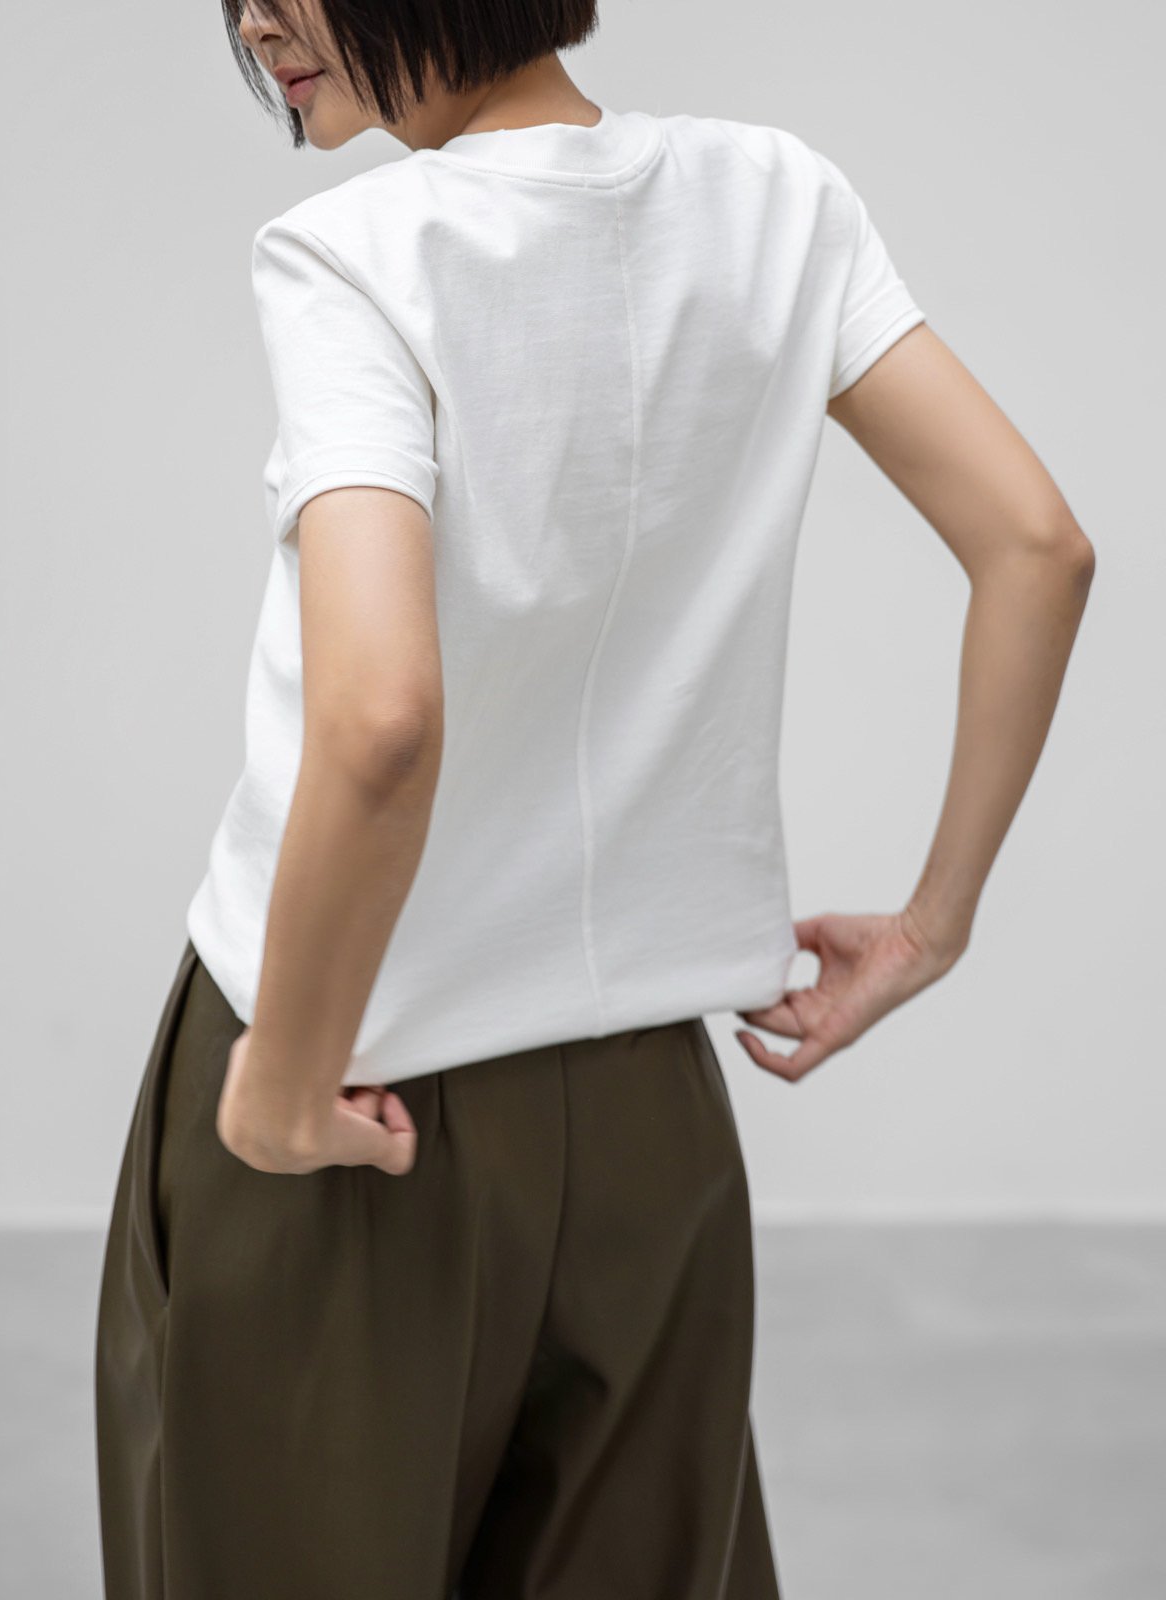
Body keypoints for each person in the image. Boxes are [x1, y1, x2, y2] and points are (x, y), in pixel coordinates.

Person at [92, 2, 1096, 1596]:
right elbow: (1038, 547)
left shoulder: (358, 256)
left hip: (353, 1099)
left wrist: (280, 1082)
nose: (257, 17)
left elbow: (379, 716)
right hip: (647, 1115)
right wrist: (931, 926)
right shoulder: (779, 201)